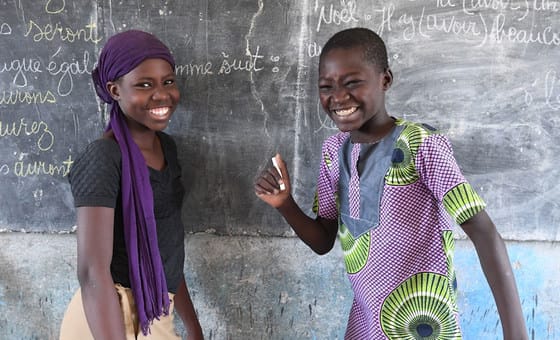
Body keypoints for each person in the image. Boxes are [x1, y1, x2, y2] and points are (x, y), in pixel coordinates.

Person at [254, 27, 527, 339]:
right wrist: (285, 204)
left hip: (423, 325)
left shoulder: (421, 144)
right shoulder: (333, 152)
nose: (339, 97)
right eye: (326, 86)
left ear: (385, 80)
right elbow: (322, 240)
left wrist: (516, 333)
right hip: (366, 326)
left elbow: (483, 231)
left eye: (352, 82)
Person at [59, 30, 203, 340]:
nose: (162, 94)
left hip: (154, 314)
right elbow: (92, 273)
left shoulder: (168, 149)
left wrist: (192, 326)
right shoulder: (104, 157)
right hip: (108, 321)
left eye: (168, 81)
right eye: (144, 84)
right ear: (115, 90)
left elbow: (165, 246)